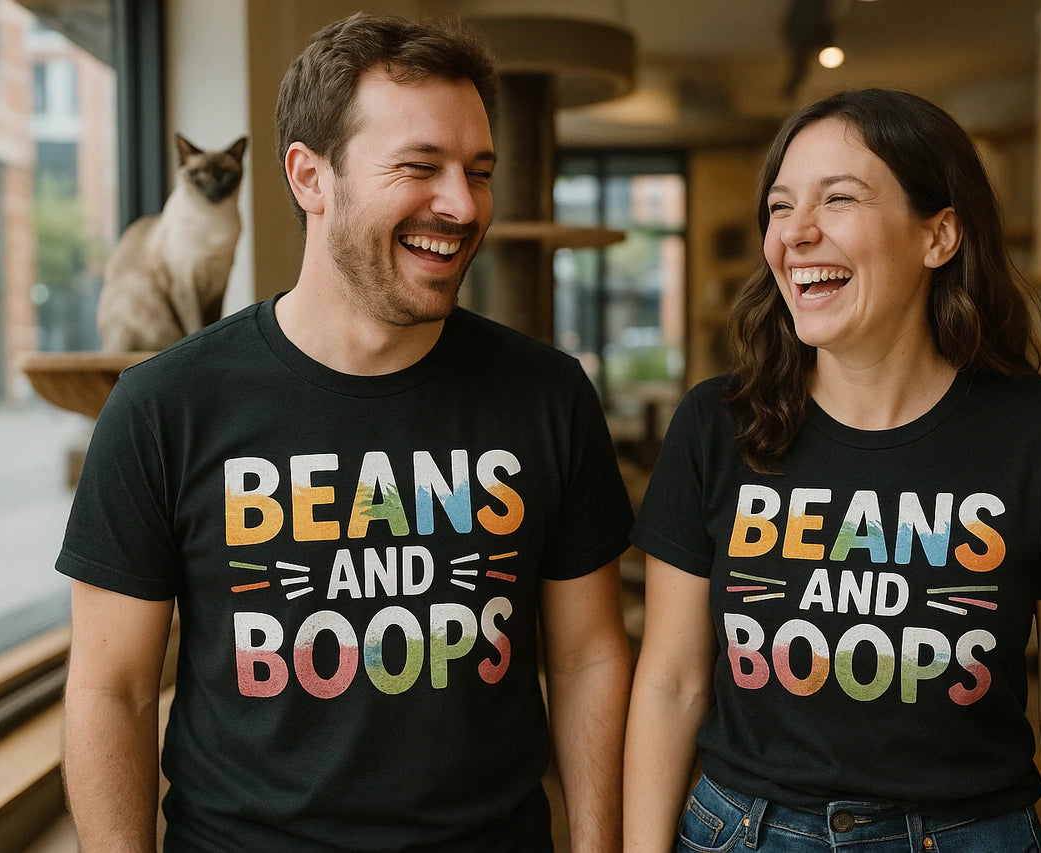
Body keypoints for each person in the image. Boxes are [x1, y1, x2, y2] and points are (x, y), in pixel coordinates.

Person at [59, 13, 634, 852]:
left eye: (479, 171)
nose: (462, 204)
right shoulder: (164, 406)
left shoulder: (546, 394)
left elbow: (587, 659)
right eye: (419, 167)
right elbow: (112, 688)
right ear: (309, 176)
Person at [623, 88, 1041, 853]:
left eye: (839, 199)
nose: (795, 233)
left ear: (939, 235)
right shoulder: (716, 424)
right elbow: (670, 684)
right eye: (780, 205)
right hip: (744, 831)